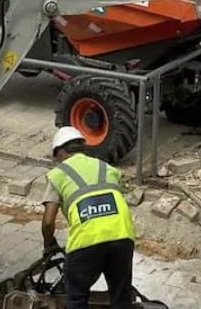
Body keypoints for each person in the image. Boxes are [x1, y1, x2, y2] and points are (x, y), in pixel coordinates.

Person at [40, 126, 137, 309]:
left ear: (59, 152)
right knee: (121, 298)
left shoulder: (58, 175)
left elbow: (47, 222)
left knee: (76, 297)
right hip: (122, 236)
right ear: (81, 148)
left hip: (86, 241)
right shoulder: (105, 167)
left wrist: (49, 245)